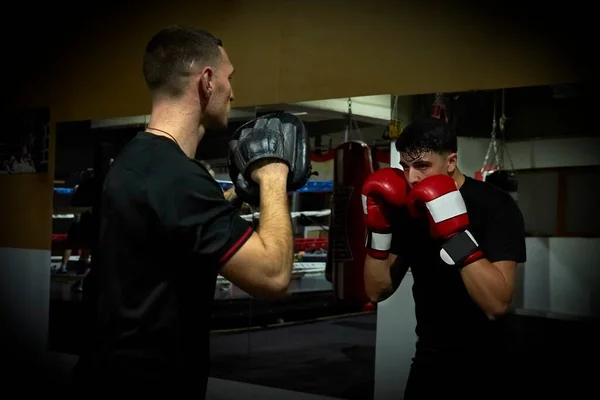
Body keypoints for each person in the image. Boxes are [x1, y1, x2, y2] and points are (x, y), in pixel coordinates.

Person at [72, 26, 294, 396]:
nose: (232, 92)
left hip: (109, 373)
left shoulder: (136, 161)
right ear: (207, 81)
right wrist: (273, 175)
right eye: (229, 78)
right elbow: (273, 276)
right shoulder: (177, 177)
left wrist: (233, 200)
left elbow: (170, 235)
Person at [362, 117, 526, 399]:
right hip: (429, 357)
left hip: (488, 362)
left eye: (422, 166)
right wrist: (379, 229)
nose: (412, 178)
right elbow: (377, 290)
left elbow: (497, 305)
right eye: (405, 167)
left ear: (451, 161)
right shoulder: (409, 209)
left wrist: (454, 232)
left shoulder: (496, 206)